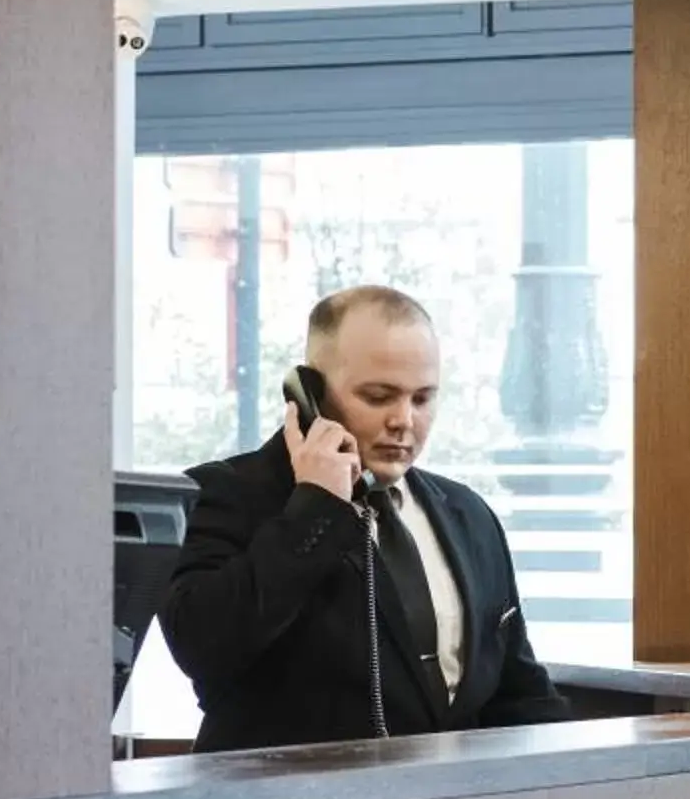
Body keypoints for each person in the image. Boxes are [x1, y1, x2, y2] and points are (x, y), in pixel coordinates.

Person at [159, 285, 567, 749]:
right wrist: (314, 506)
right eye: (378, 396)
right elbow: (202, 647)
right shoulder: (226, 494)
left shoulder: (468, 515)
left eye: (422, 399)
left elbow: (519, 690)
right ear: (308, 393)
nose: (404, 421)